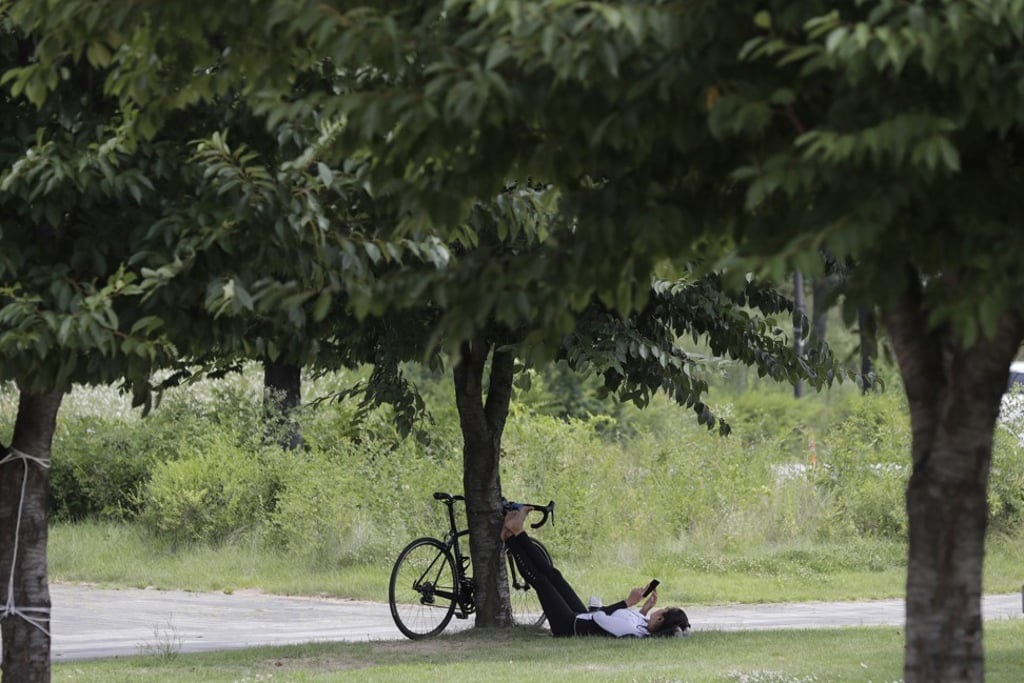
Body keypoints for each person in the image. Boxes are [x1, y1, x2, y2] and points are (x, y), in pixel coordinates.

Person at [501, 506, 691, 638]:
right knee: (554, 575)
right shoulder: (644, 625)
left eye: (663, 610)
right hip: (580, 616)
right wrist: (644, 609)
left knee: (542, 582)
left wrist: (627, 602)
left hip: (569, 626)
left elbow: (599, 617)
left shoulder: (630, 631)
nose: (660, 608)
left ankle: (514, 535)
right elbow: (641, 624)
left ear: (660, 618)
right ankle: (512, 534)